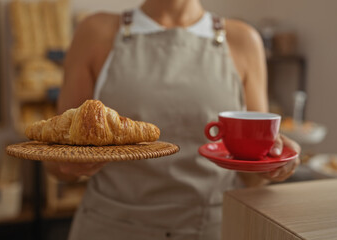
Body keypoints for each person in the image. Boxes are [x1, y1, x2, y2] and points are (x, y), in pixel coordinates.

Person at [44, 0, 301, 239]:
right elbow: (55, 163)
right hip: (109, 227)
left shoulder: (244, 40)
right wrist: (67, 164)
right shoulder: (94, 32)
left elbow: (252, 178)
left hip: (213, 229)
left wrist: (272, 161)